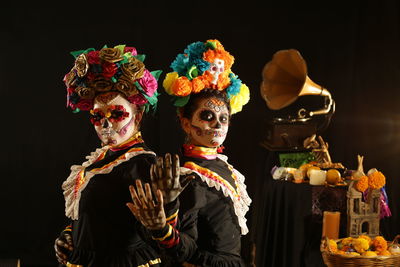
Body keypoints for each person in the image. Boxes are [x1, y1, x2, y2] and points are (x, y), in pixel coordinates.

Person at [127, 39, 252, 266]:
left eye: (223, 119)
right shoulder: (186, 176)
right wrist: (162, 229)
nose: (217, 125)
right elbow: (185, 251)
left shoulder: (224, 168)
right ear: (186, 124)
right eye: (207, 116)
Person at [54, 44, 164, 267]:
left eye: (116, 114)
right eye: (97, 116)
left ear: (138, 116)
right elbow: (92, 217)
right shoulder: (102, 158)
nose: (105, 123)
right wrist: (69, 235)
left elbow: (149, 233)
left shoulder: (142, 165)